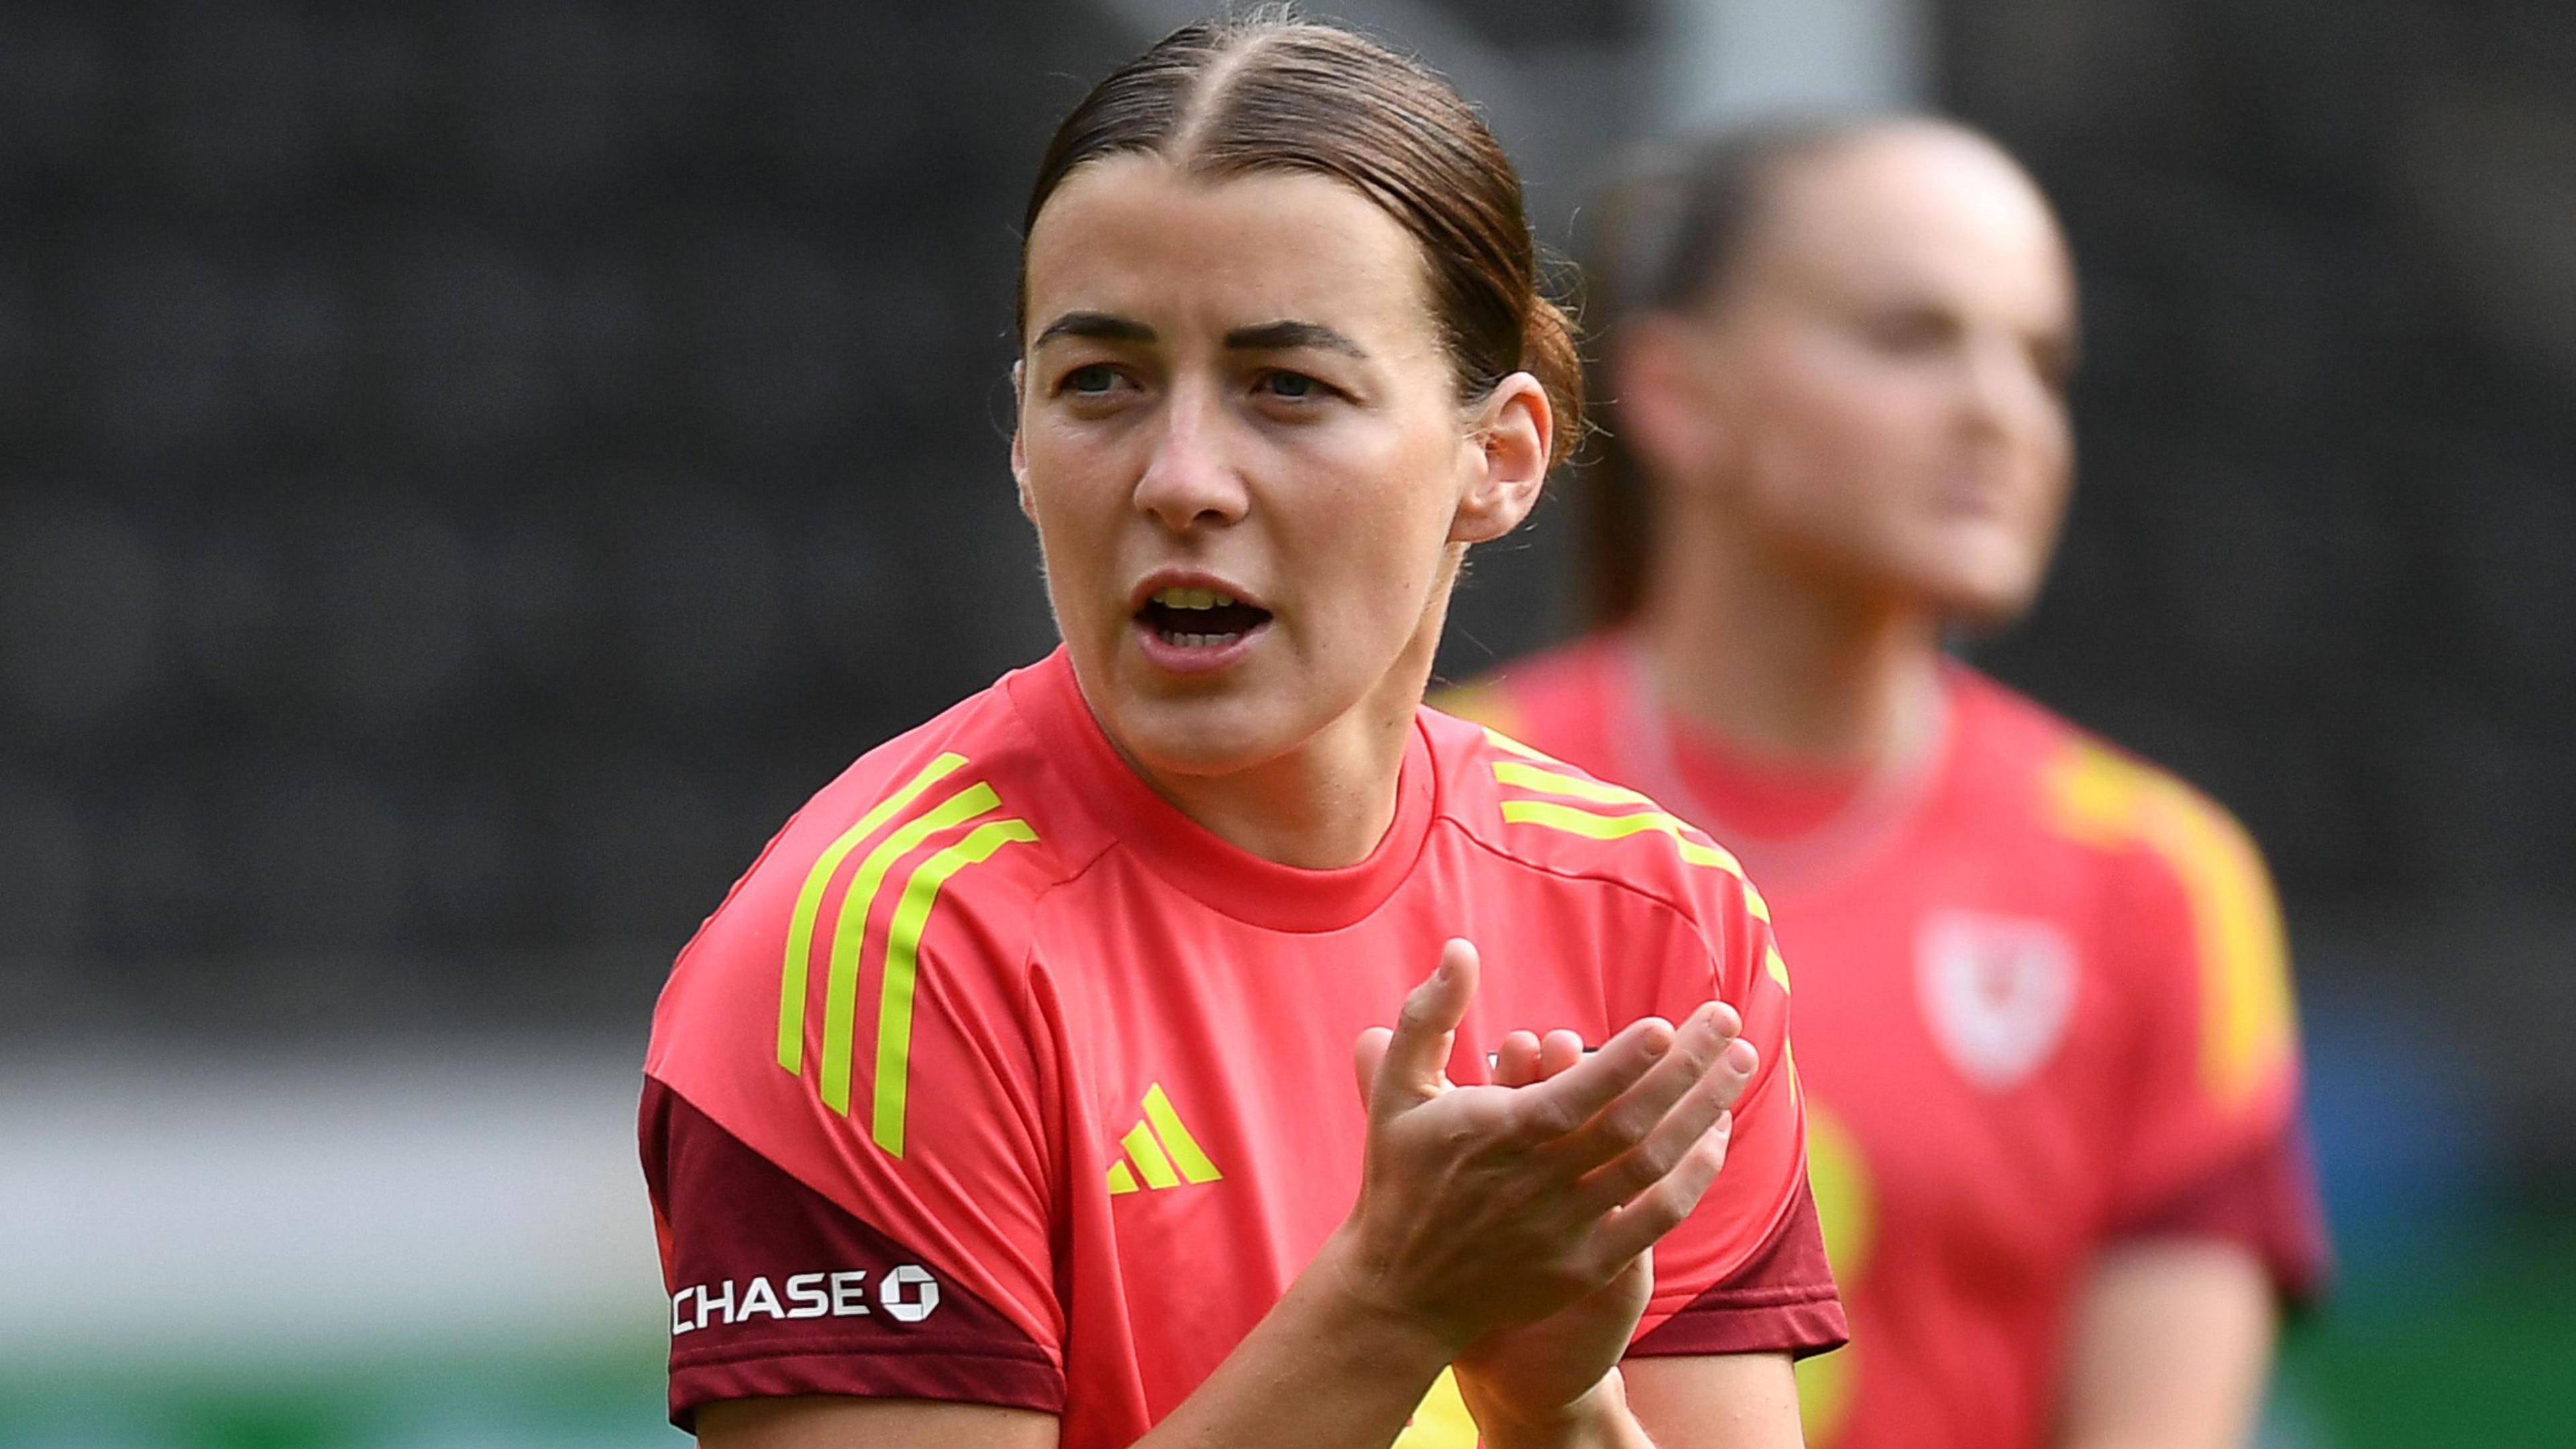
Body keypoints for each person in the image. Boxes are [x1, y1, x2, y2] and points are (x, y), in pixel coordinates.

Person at [638, 19, 1848, 1449]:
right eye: (1101, 382)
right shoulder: (881, 960)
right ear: (1022, 443)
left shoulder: (1660, 924)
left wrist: (1558, 1409)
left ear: (1500, 457)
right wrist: (1393, 1309)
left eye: (1288, 387)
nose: (1183, 477)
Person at [1436, 119, 2328, 1448]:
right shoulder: (1417, 807)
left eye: (2040, 362)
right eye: (1912, 339)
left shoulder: (2155, 879)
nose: (1999, 412)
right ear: (1680, 395)